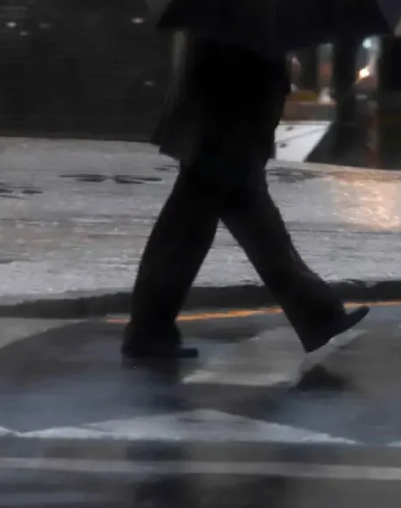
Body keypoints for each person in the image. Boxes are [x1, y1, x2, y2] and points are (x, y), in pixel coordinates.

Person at [122, 36, 369, 360]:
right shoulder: (239, 19)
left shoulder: (239, 12)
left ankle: (317, 314)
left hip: (224, 135)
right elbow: (237, 75)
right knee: (192, 235)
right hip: (223, 135)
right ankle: (147, 332)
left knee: (235, 231)